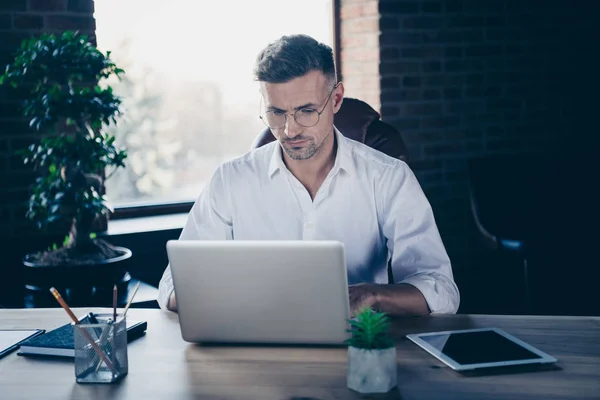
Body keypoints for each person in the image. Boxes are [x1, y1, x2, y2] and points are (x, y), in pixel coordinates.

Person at [158, 34, 459, 316]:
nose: (290, 130)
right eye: (276, 112)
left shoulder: (388, 177)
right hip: (252, 349)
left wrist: (373, 296)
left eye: (306, 111)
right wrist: (228, 297)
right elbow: (171, 285)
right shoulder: (229, 180)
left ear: (337, 98)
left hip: (357, 344)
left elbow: (441, 290)